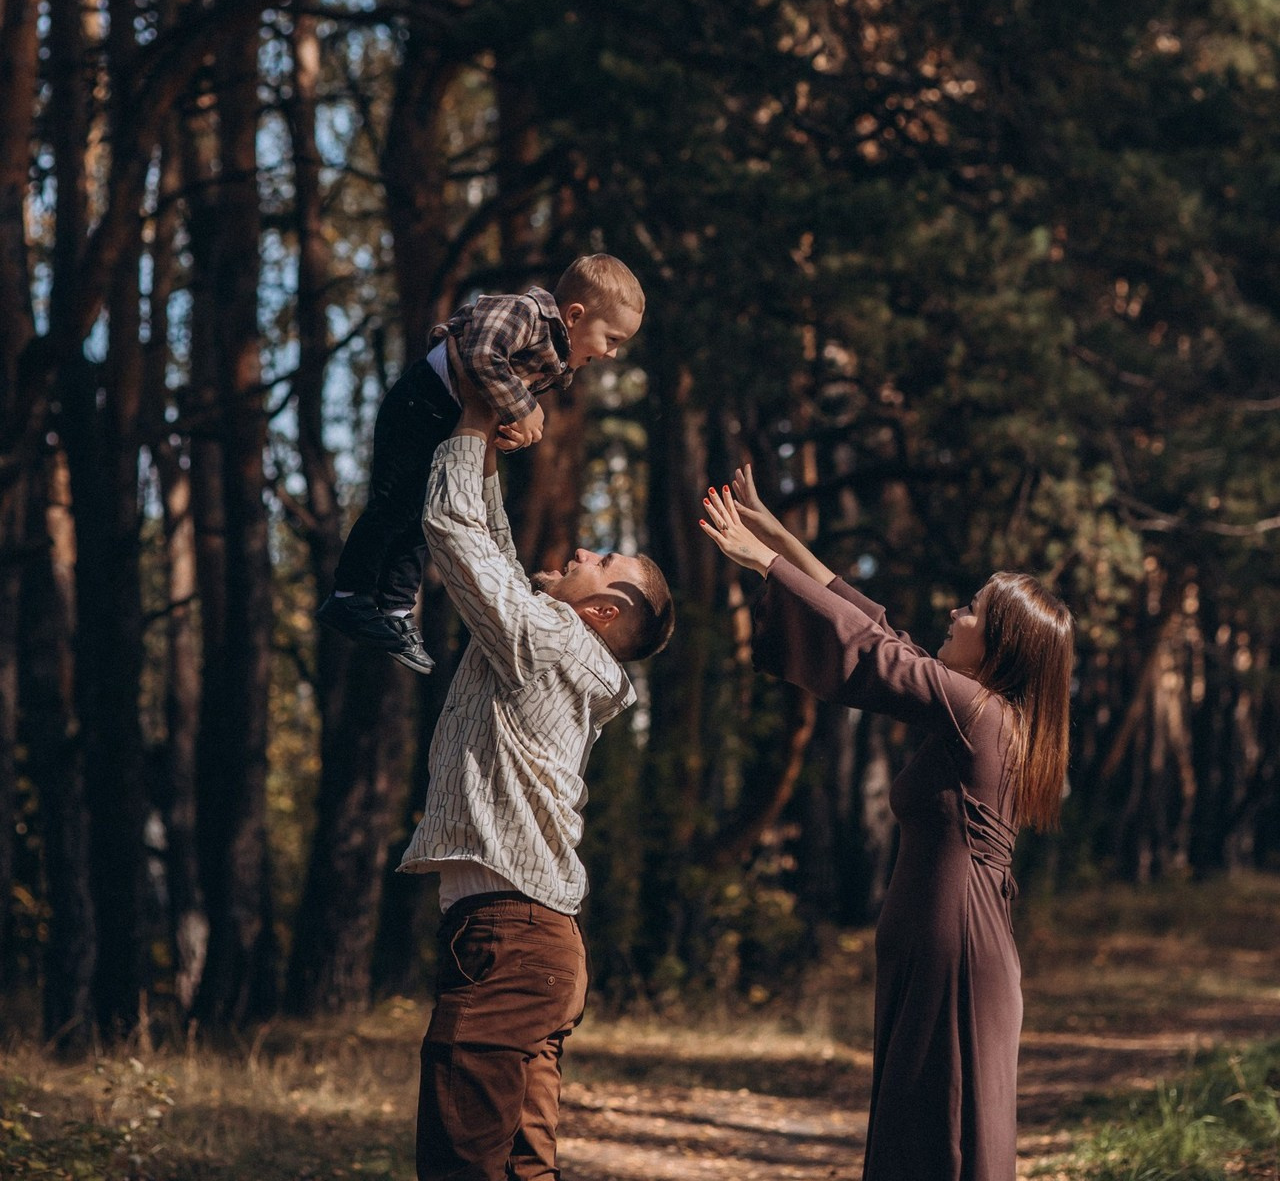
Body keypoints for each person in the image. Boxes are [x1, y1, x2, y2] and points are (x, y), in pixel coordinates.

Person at [700, 466, 1072, 1181]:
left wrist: (766, 564)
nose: (954, 614)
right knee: (927, 1125)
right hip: (945, 946)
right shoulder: (983, 714)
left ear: (1002, 646)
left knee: (945, 1131)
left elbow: (874, 651)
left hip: (957, 951)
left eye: (972, 610)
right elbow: (875, 628)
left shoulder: (983, 716)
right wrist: (780, 537)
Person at [398, 340, 674, 1181]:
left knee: (462, 1164)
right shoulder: (555, 642)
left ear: (602, 611)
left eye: (601, 559)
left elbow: (454, 534)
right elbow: (493, 550)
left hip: (510, 939)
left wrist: (474, 418)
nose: (582, 550)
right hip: (534, 941)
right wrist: (486, 438)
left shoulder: (550, 641)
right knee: (522, 1169)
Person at [317, 253, 646, 674]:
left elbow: (495, 399)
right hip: (420, 404)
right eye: (612, 339)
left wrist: (510, 431)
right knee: (393, 504)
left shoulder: (557, 361)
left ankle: (395, 609)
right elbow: (480, 354)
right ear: (575, 315)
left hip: (448, 417)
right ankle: (349, 596)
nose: (612, 354)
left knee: (420, 516)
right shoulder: (526, 314)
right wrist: (523, 406)